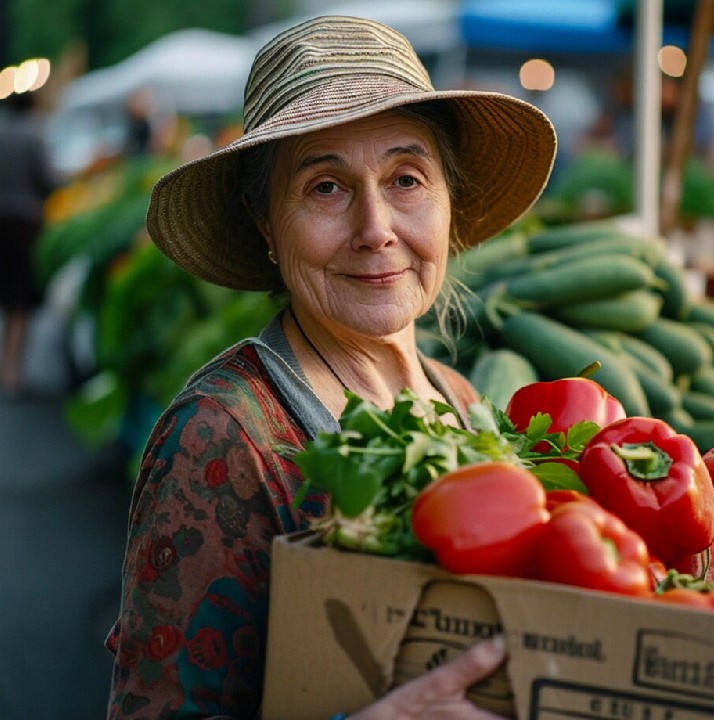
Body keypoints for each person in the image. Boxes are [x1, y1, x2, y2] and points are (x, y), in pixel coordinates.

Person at [104, 15, 556, 719]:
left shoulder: (465, 405)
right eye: (325, 188)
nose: (375, 227)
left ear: (448, 205)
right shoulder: (225, 438)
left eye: (407, 179)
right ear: (267, 228)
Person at [0, 89, 59, 397]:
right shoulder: (35, 136)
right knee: (19, 301)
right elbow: (49, 180)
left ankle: (5, 367)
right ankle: (13, 373)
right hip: (24, 225)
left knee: (7, 297)